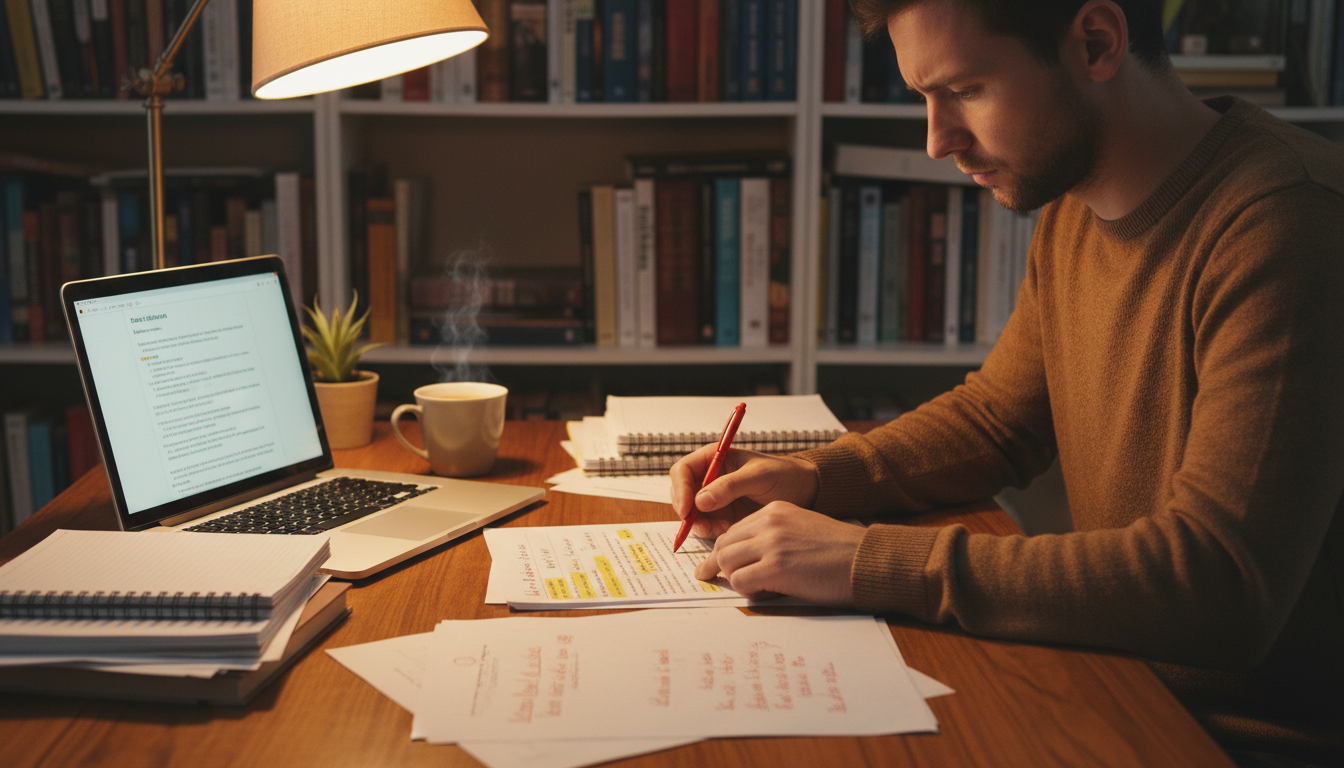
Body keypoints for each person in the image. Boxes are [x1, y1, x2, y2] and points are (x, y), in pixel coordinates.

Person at [669, 1, 1344, 764]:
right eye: (925, 98)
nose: (937, 141)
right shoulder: (1080, 201)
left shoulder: (1288, 223)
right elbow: (996, 420)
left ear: (1096, 43)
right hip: (1113, 683)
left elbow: (1221, 585)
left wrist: (865, 562)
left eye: (965, 91)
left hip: (1235, 740)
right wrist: (812, 478)